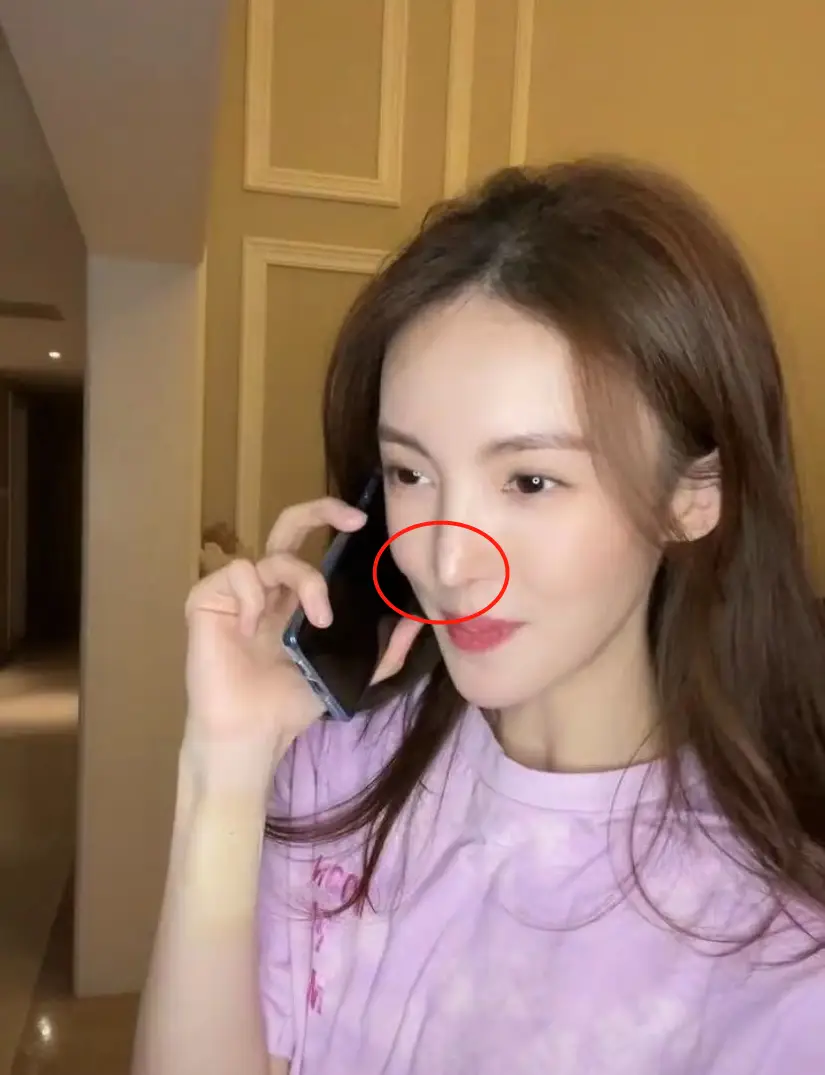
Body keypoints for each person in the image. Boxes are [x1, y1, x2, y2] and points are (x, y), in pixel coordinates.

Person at [131, 158, 825, 1075]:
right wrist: (224, 762)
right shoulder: (339, 772)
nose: (446, 561)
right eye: (410, 473)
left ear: (691, 497)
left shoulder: (781, 968)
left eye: (529, 480)